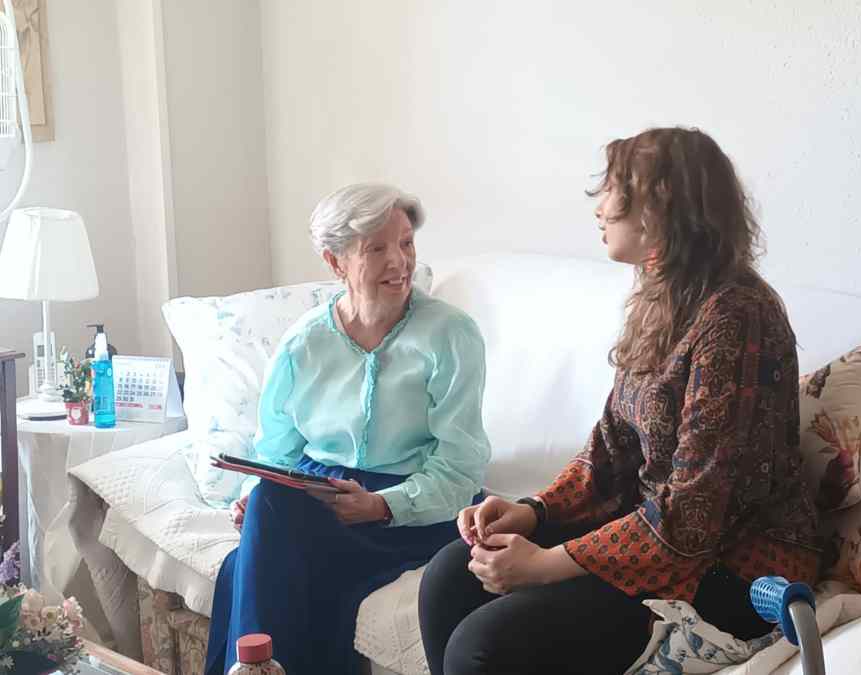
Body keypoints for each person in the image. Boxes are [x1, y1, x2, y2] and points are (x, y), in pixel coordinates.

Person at [419, 127, 821, 675]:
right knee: (448, 576)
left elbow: (691, 520)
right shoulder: (662, 300)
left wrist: (545, 566)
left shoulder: (737, 318)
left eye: (613, 189)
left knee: (484, 644)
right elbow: (609, 452)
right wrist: (531, 513)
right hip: (656, 536)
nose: (599, 208)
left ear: (659, 209)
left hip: (731, 571)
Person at [205, 183, 491, 675]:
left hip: (418, 501)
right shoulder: (303, 344)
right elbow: (277, 452)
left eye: (405, 243)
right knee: (269, 510)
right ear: (335, 263)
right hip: (319, 493)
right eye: (376, 249)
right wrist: (259, 492)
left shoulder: (451, 334)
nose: (398, 262)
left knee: (249, 560)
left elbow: (461, 467)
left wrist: (383, 505)